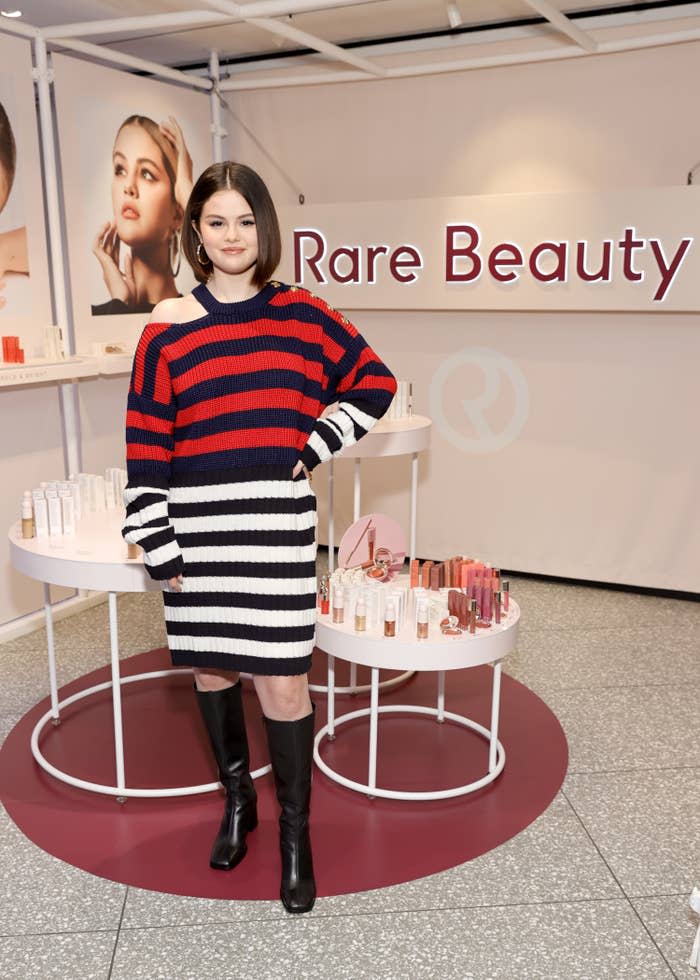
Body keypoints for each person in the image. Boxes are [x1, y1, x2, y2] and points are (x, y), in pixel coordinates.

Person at [121, 161, 397, 914]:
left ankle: (296, 836)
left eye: (246, 220)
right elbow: (147, 439)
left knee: (282, 682)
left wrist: (310, 446)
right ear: (197, 233)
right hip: (198, 534)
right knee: (213, 675)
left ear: (264, 228)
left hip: (275, 532)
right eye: (217, 221)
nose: (233, 235)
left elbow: (375, 383)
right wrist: (155, 535)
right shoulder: (169, 324)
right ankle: (238, 803)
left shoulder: (303, 313)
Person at [92, 114, 192, 315]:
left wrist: (189, 191)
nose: (128, 187)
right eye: (120, 169)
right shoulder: (106, 312)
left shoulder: (196, 315)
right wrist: (119, 302)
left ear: (178, 215)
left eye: (146, 173)